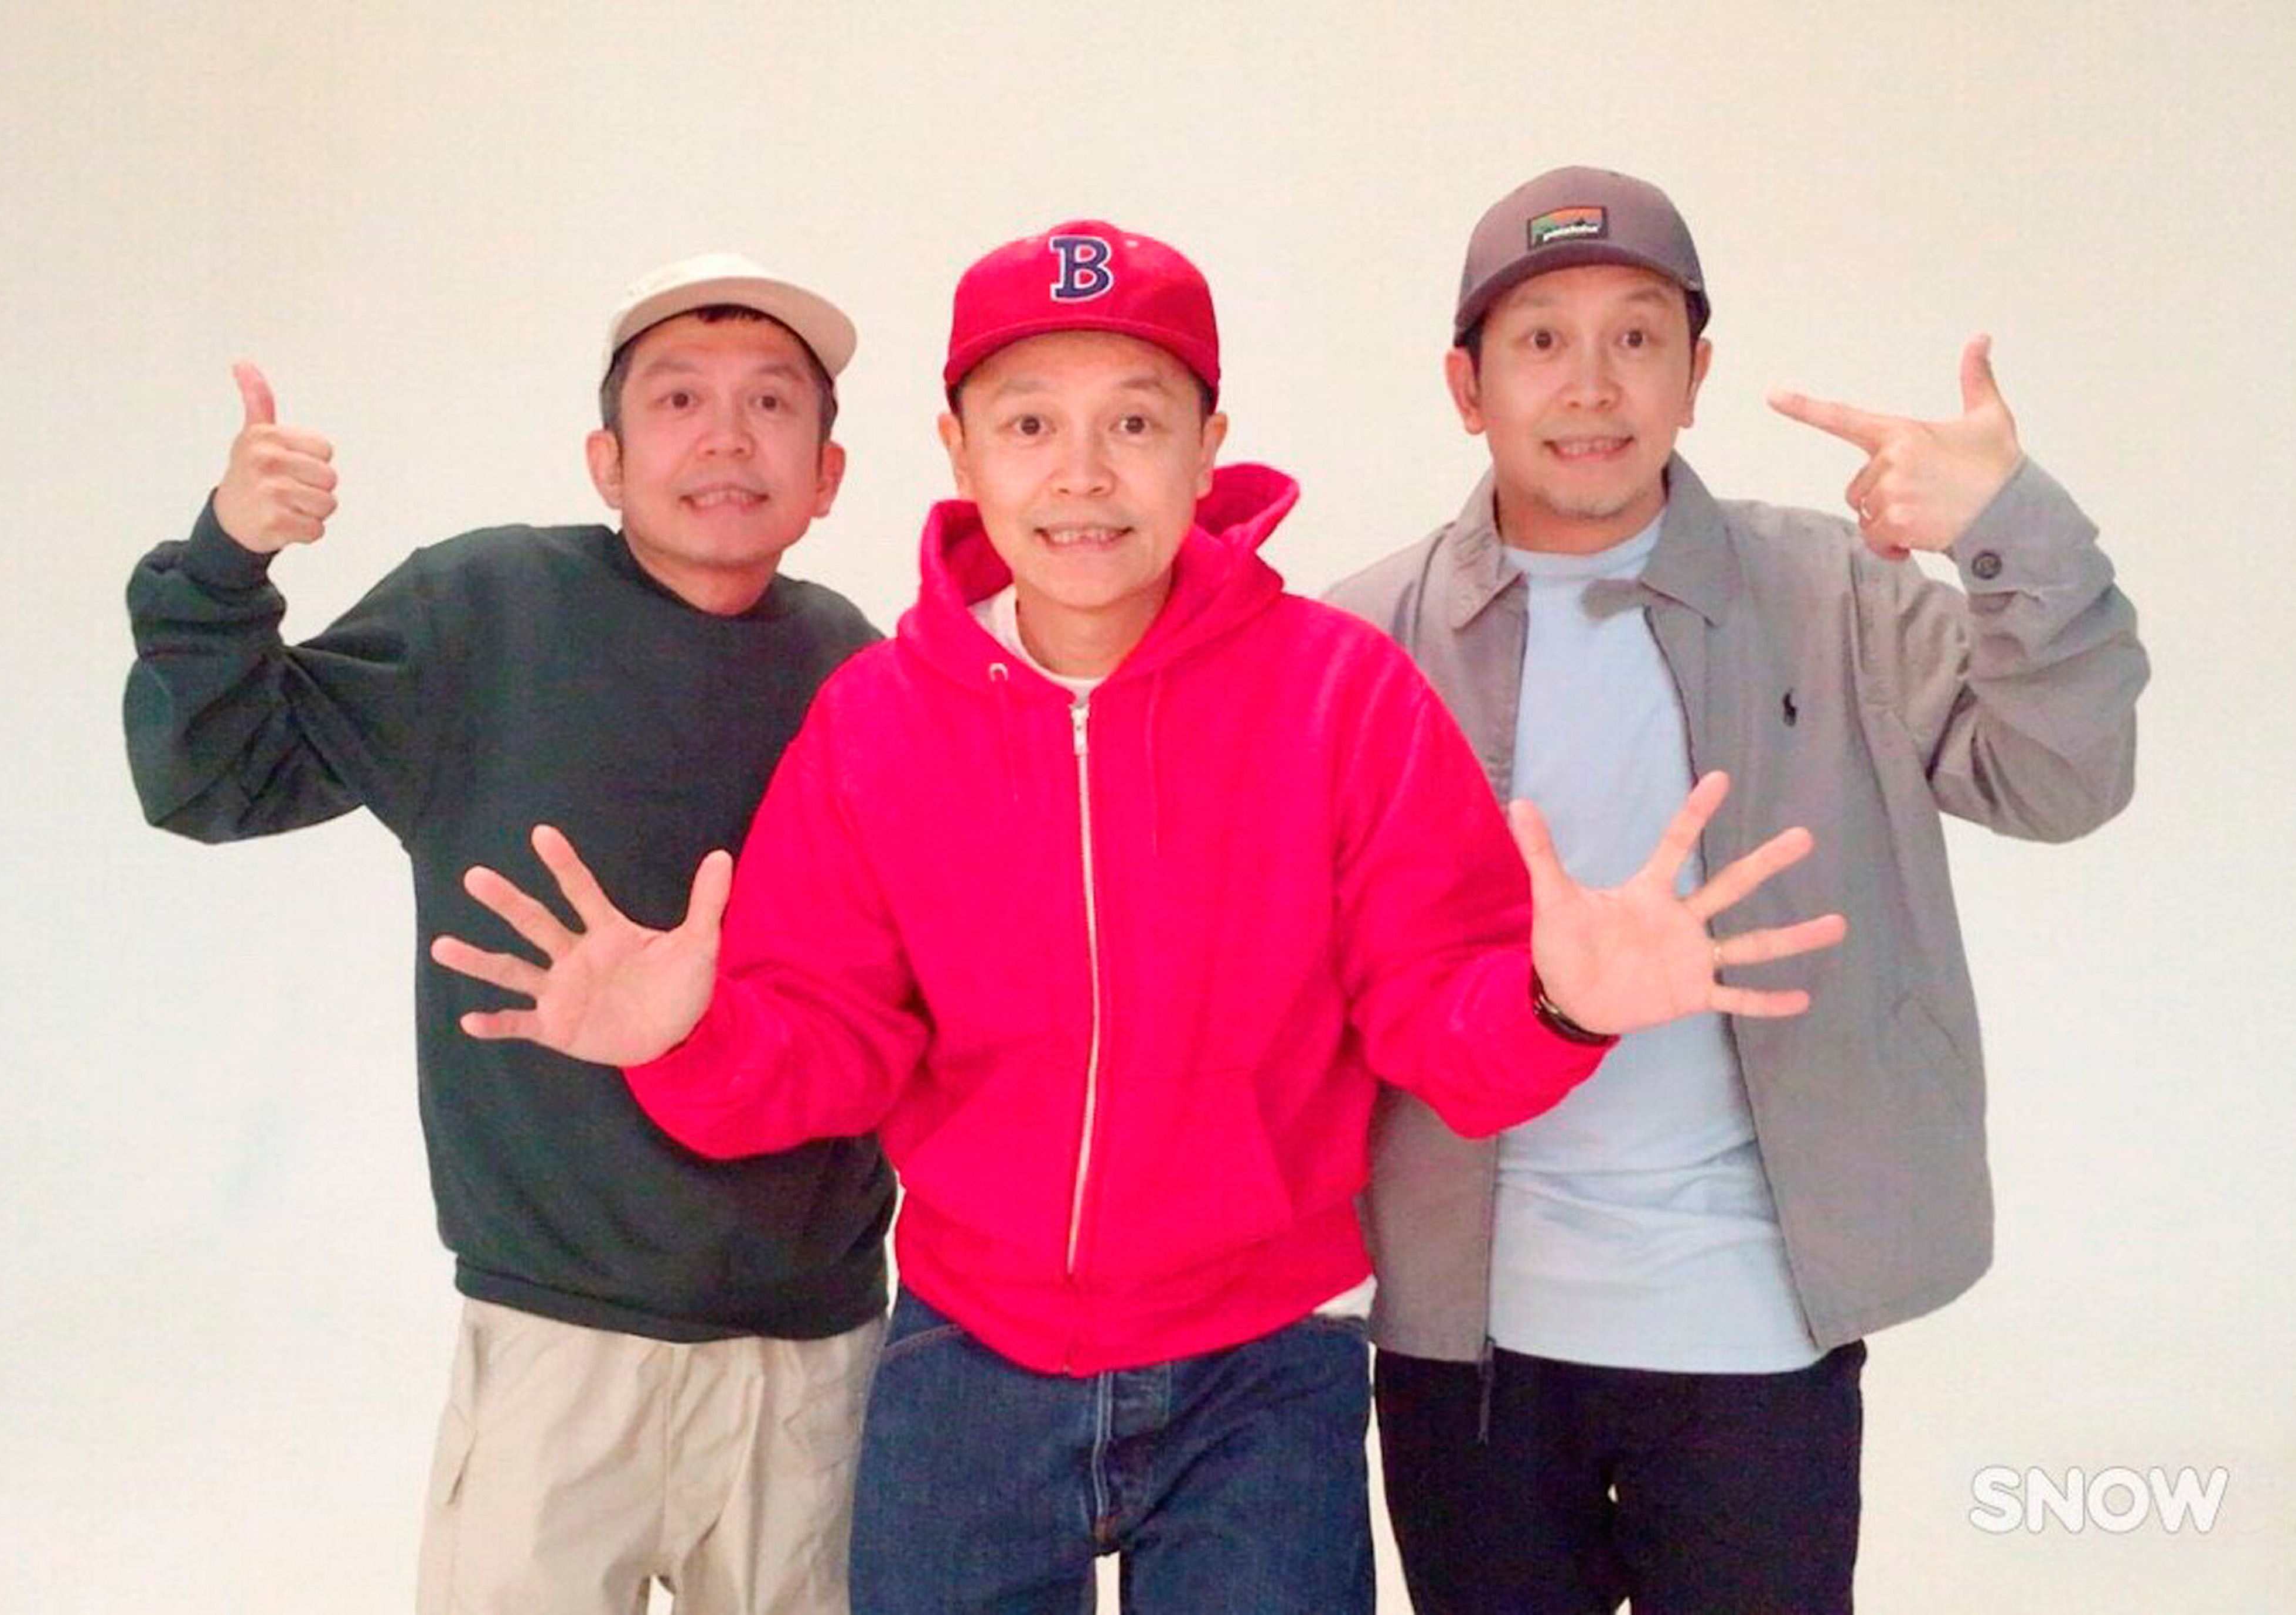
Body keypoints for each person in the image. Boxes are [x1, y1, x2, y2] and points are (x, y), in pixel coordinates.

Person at [429, 219, 1845, 1614]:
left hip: (1263, 1365)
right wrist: (682, 1041)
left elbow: (1433, 1022)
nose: (1081, 474)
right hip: (965, 1353)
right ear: (959, 452)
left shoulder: (1336, 693)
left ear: (1206, 446)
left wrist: (1557, 1005)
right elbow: (834, 1047)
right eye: (1028, 425)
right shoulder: (875, 719)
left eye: (1134, 422)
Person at [1325, 166, 2148, 1613]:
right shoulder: (1363, 641)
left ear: (1694, 376)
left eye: (1636, 337)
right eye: (1539, 339)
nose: (1591, 384)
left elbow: (2058, 781)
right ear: (1466, 388)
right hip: (1469, 1343)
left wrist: (2011, 534)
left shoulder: (1836, 595)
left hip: (1757, 1327)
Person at [122, 252, 892, 1614]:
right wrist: (227, 560)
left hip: (814, 1350)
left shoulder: (855, 666)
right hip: (556, 1332)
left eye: (772, 403)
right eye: (678, 400)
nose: (726, 437)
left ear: (827, 475)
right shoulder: (483, 611)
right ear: (606, 460)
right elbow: (213, 777)